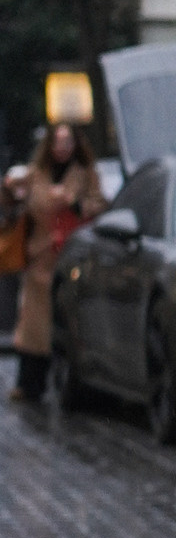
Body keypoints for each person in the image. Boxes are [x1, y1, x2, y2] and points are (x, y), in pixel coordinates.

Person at [5, 121, 105, 403]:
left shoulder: (85, 174)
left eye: (67, 141)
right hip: (40, 258)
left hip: (74, 258)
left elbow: (98, 205)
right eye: (58, 142)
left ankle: (75, 384)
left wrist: (73, 202)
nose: (62, 148)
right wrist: (10, 189)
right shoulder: (36, 174)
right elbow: (15, 201)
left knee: (70, 323)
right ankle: (30, 383)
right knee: (34, 326)